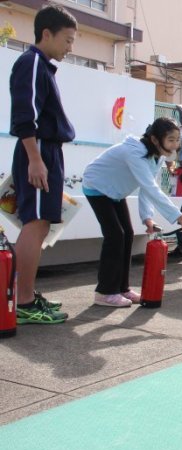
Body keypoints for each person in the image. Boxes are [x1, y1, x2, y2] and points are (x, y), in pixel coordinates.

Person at [82, 117, 182, 307]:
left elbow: (147, 189)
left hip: (116, 192)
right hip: (97, 187)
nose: (175, 145)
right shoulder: (134, 152)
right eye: (171, 140)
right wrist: (180, 218)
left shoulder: (156, 156)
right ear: (154, 139)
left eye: (177, 140)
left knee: (127, 234)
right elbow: (150, 187)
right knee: (115, 236)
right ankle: (104, 292)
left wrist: (147, 218)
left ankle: (122, 288)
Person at [9, 4, 77, 324]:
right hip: (39, 151)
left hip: (46, 152)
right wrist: (35, 159)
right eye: (66, 39)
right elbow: (25, 116)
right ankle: (21, 301)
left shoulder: (42, 66)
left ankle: (26, 295)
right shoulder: (32, 63)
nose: (70, 47)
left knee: (41, 223)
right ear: (46, 34)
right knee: (35, 223)